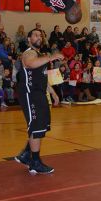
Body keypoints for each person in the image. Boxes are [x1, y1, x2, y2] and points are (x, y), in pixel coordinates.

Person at [15, 28, 63, 175]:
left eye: (40, 35)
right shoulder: (29, 53)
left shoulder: (41, 56)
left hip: (40, 94)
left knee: (42, 125)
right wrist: (51, 57)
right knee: (36, 127)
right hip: (30, 95)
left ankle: (25, 154)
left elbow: (42, 77)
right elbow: (30, 64)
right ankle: (35, 162)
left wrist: (53, 93)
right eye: (35, 35)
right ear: (29, 39)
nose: (39, 37)